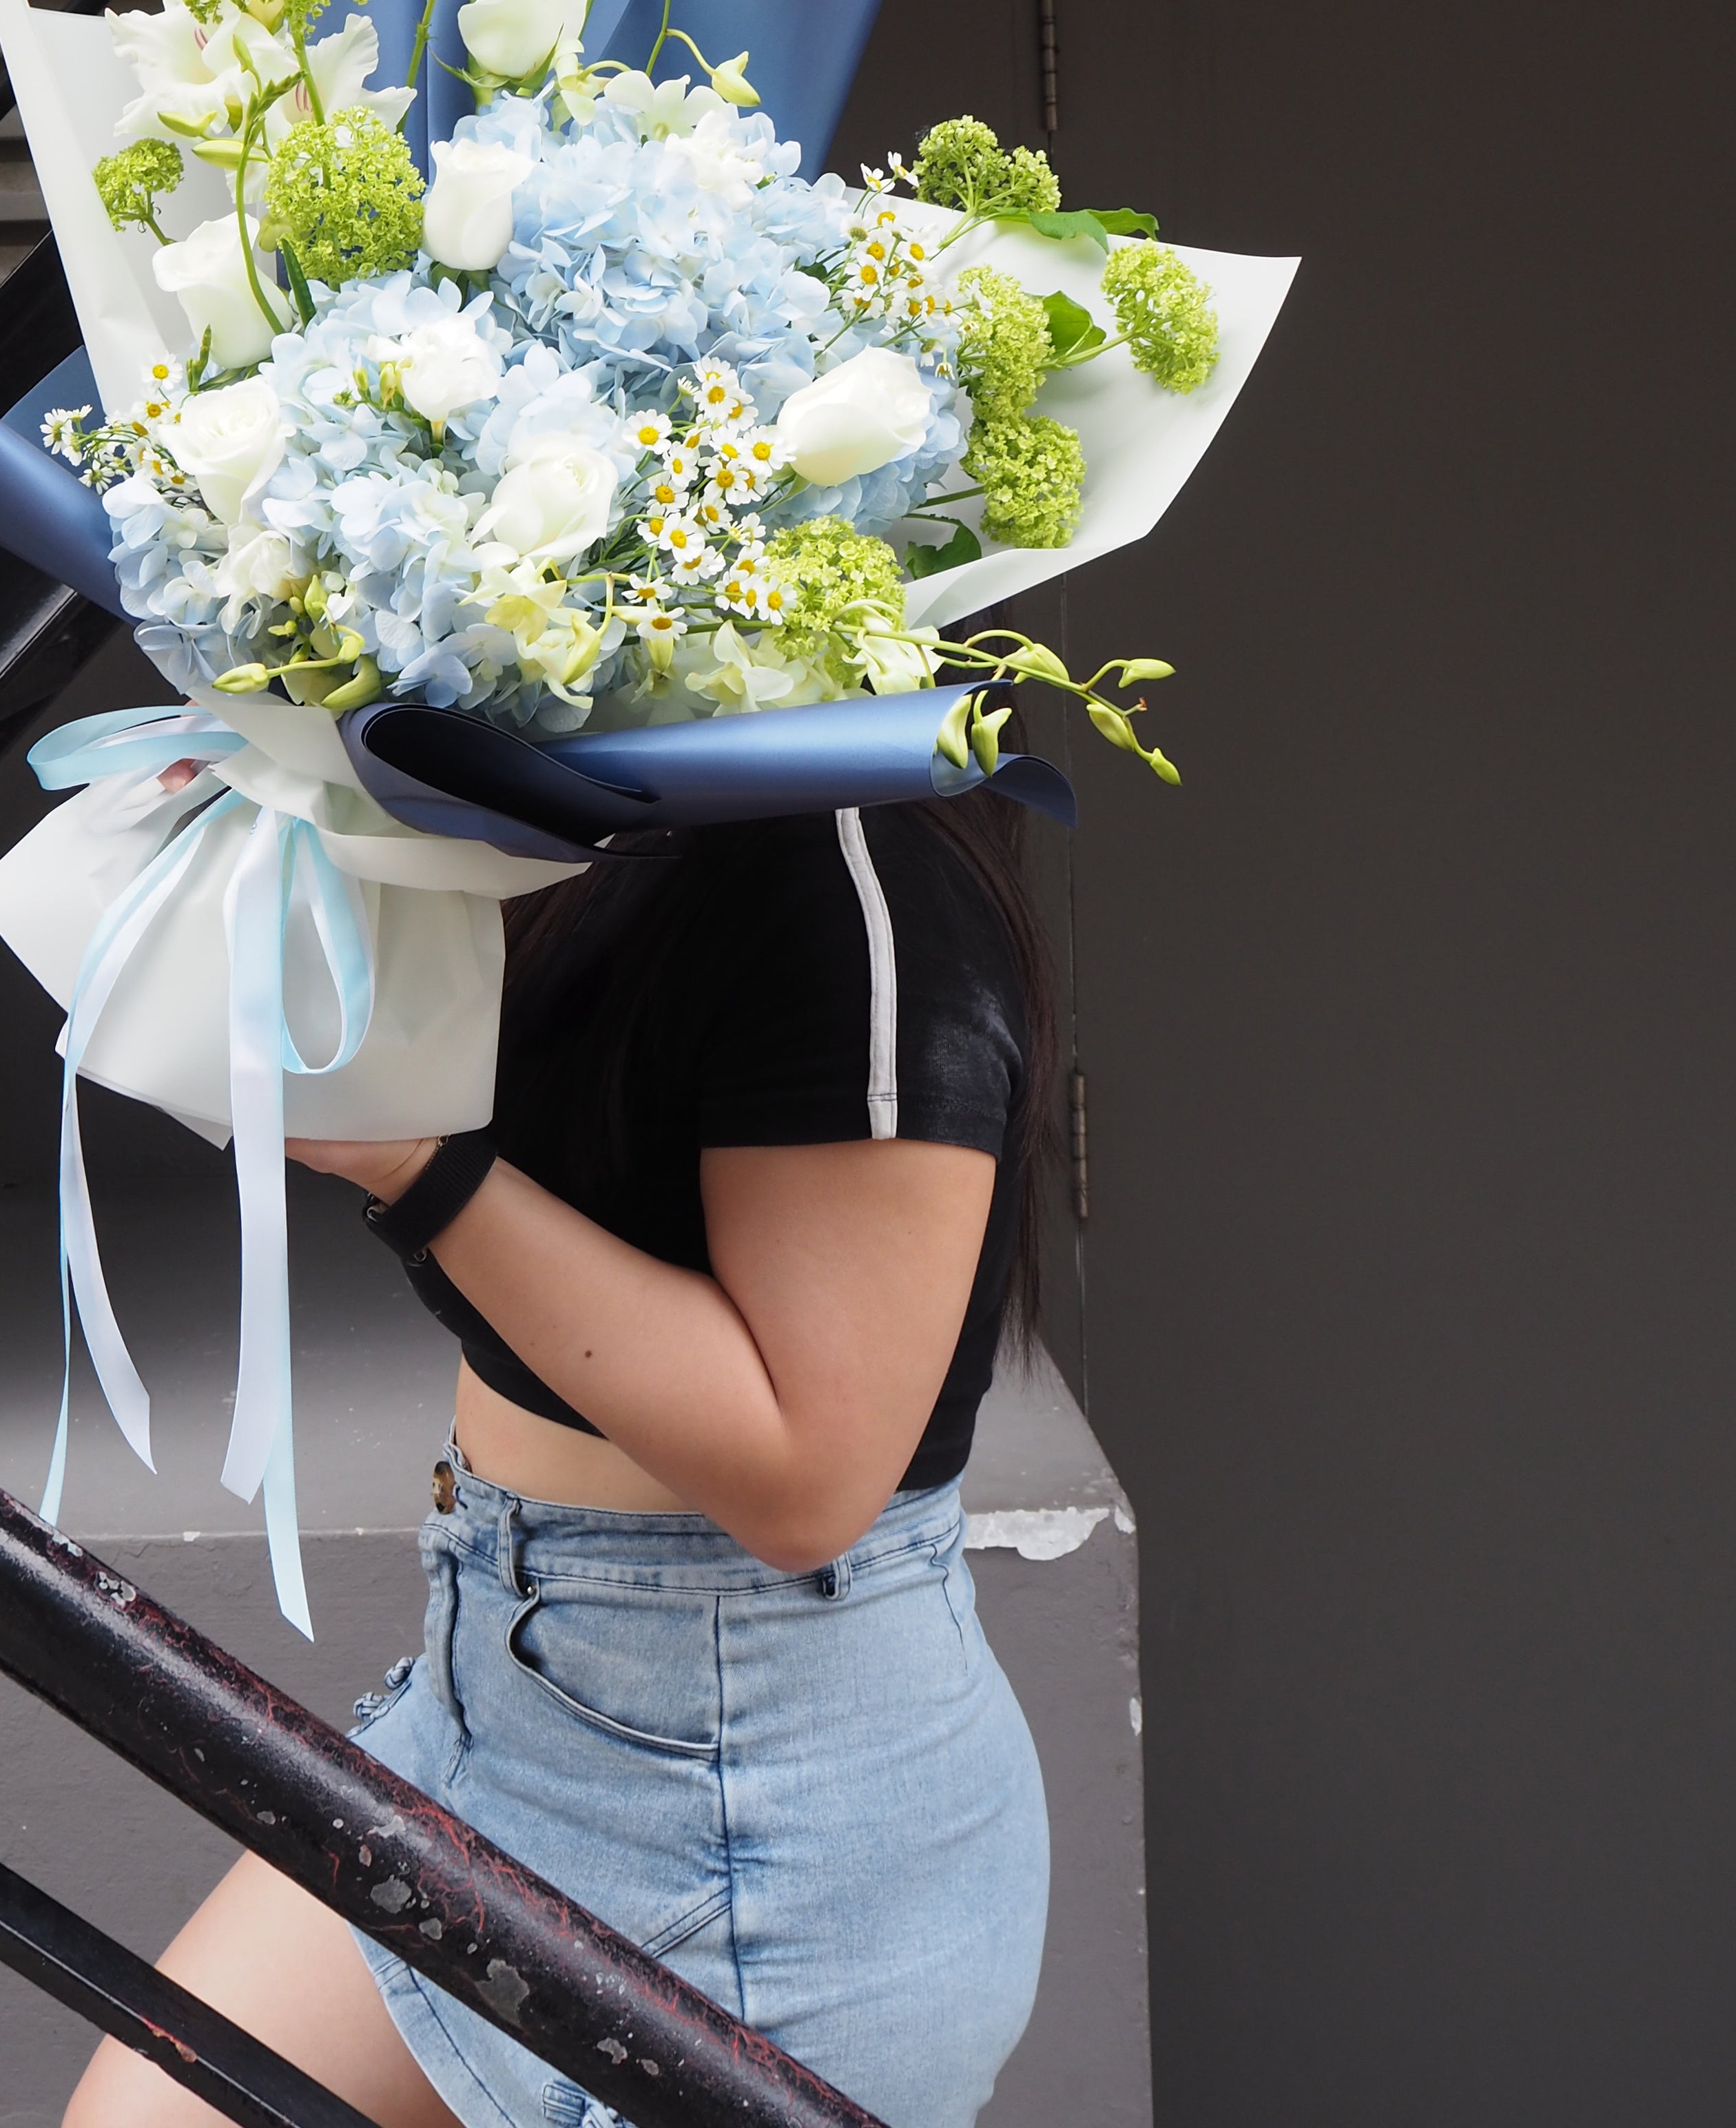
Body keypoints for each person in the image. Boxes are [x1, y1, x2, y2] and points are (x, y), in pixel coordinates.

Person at [65, 792, 1057, 2128]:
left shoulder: (859, 880)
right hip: (511, 1694)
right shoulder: (577, 804)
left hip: (750, 1776)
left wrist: (416, 1165)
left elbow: (811, 1480)